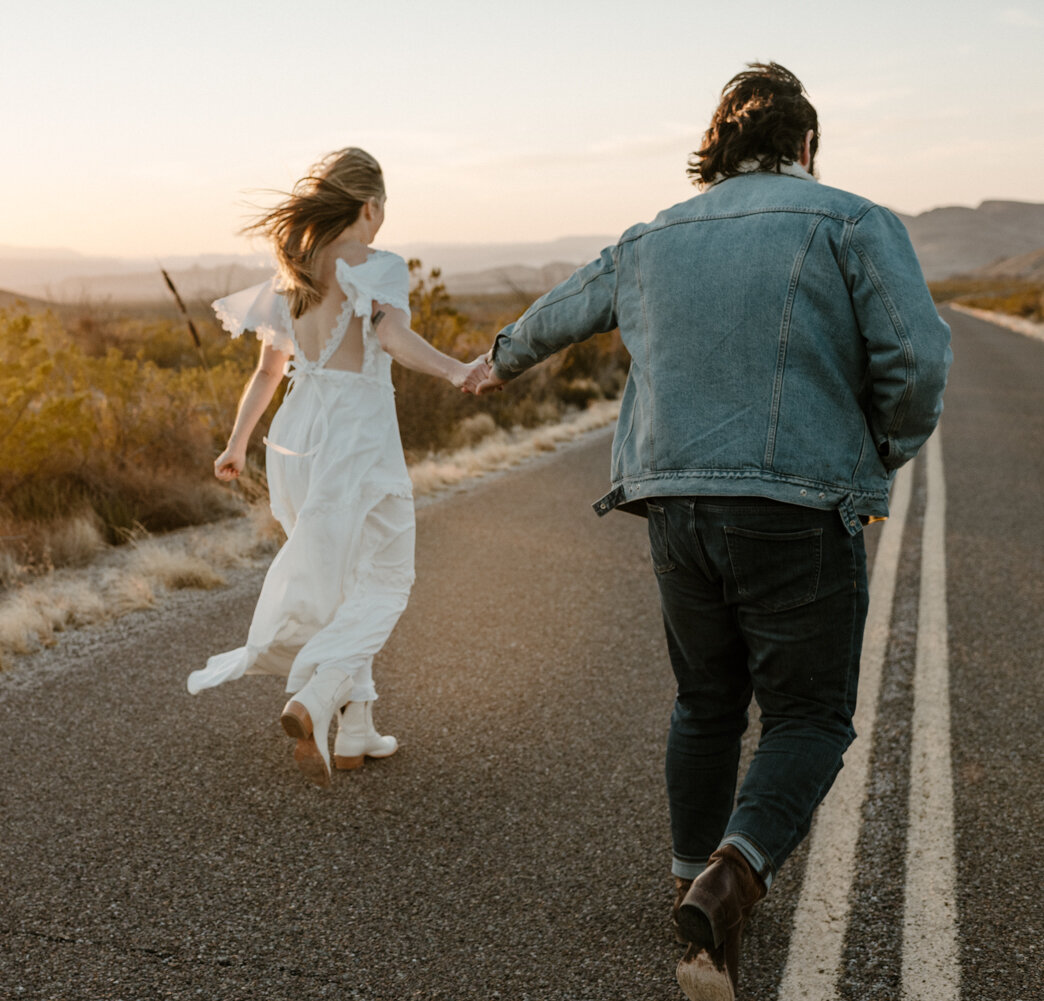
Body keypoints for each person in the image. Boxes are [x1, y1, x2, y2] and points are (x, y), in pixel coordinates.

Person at [463, 63, 951, 999]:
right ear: (807, 145)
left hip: (673, 505)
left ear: (714, 152)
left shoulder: (651, 237)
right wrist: (882, 446)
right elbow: (917, 357)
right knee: (807, 715)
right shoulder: (852, 220)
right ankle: (736, 871)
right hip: (796, 506)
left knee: (706, 701)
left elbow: (563, 312)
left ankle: (691, 887)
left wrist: (494, 360)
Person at [187, 148, 471, 786]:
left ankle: (358, 731)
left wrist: (236, 445)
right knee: (389, 579)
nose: (379, 226)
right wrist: (457, 369)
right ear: (369, 206)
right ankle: (314, 700)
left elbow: (268, 372)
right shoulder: (378, 266)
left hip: (295, 441)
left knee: (347, 581)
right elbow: (392, 337)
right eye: (381, 214)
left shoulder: (292, 273)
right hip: (356, 440)